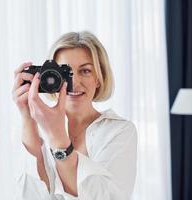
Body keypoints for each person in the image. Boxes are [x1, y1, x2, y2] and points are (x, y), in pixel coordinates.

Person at [12, 31, 137, 200]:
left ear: (99, 78)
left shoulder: (120, 131)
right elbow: (28, 194)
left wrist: (57, 137)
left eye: (85, 71)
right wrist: (27, 116)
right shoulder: (38, 129)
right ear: (46, 76)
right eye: (65, 72)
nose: (74, 83)